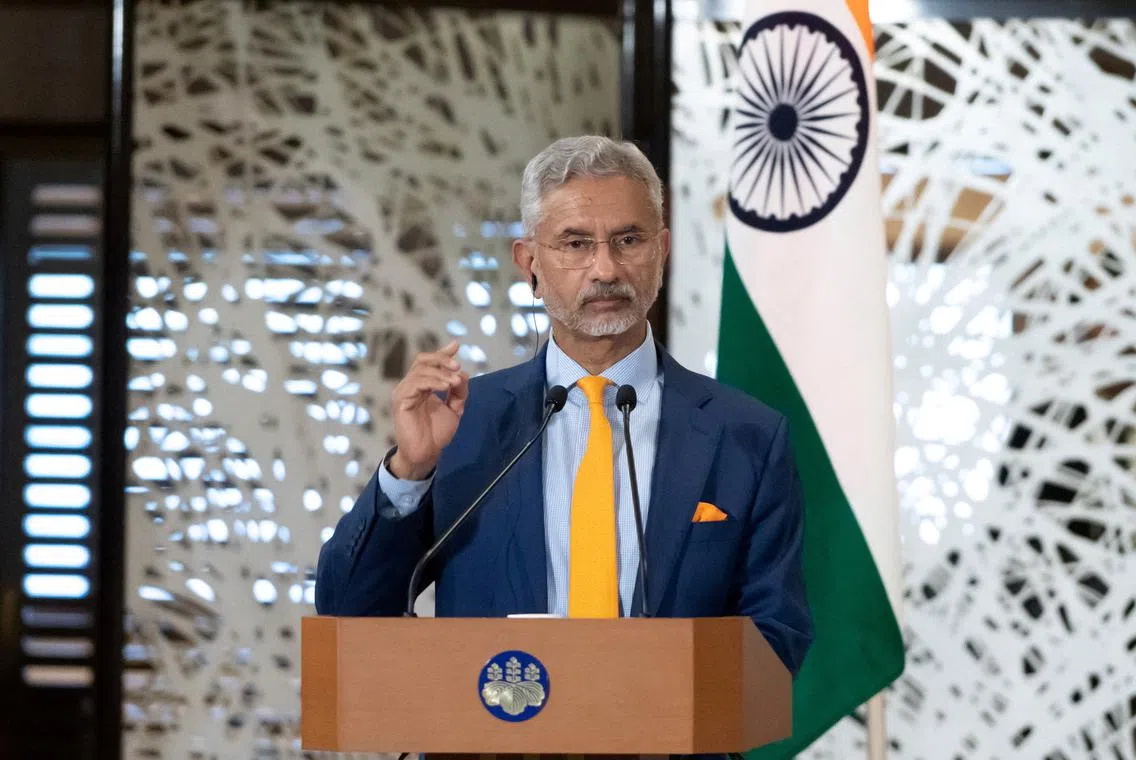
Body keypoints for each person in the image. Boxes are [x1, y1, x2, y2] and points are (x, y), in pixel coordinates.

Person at [315, 135, 812, 675]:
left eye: (628, 240)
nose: (605, 269)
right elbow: (349, 611)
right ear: (529, 263)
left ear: (662, 252)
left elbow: (776, 637)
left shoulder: (747, 435)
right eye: (575, 244)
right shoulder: (465, 423)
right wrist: (410, 471)